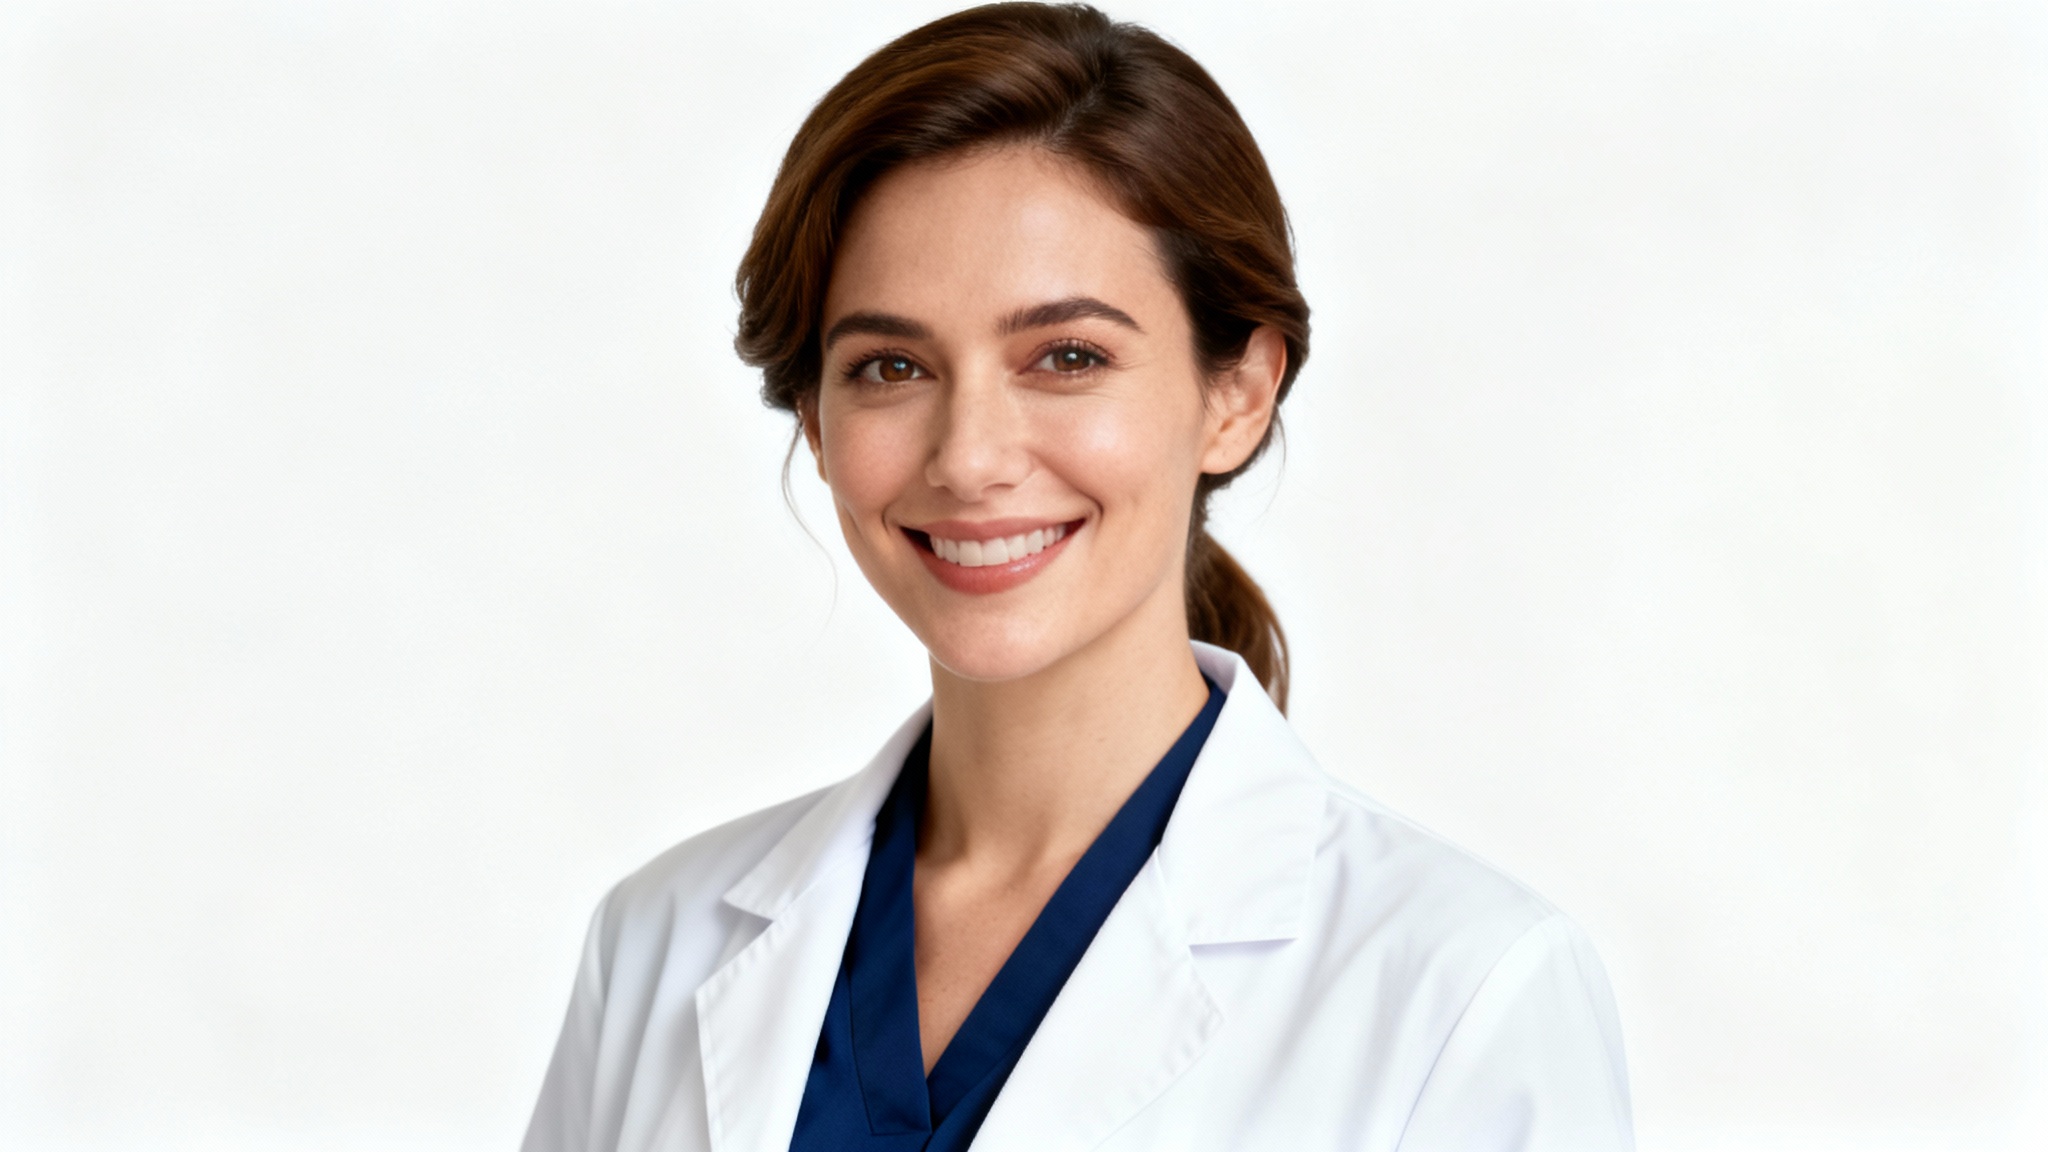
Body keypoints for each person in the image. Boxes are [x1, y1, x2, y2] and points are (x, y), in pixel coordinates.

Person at [522, 5, 1633, 1150]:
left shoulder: (1462, 993)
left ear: (1236, 394)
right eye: (890, 366)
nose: (968, 458)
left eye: (1066, 357)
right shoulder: (654, 945)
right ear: (813, 416)